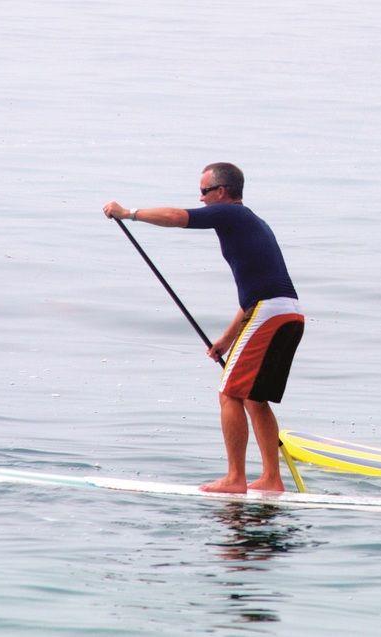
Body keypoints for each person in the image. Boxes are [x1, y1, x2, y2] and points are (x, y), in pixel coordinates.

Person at [102, 162, 304, 493]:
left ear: (222, 192)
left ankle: (235, 479)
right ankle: (272, 478)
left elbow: (179, 217)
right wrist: (226, 339)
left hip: (270, 313)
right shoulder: (255, 224)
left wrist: (128, 213)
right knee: (255, 398)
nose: (201, 197)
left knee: (229, 394)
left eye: (205, 191)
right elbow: (253, 296)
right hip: (288, 314)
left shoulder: (232, 215)